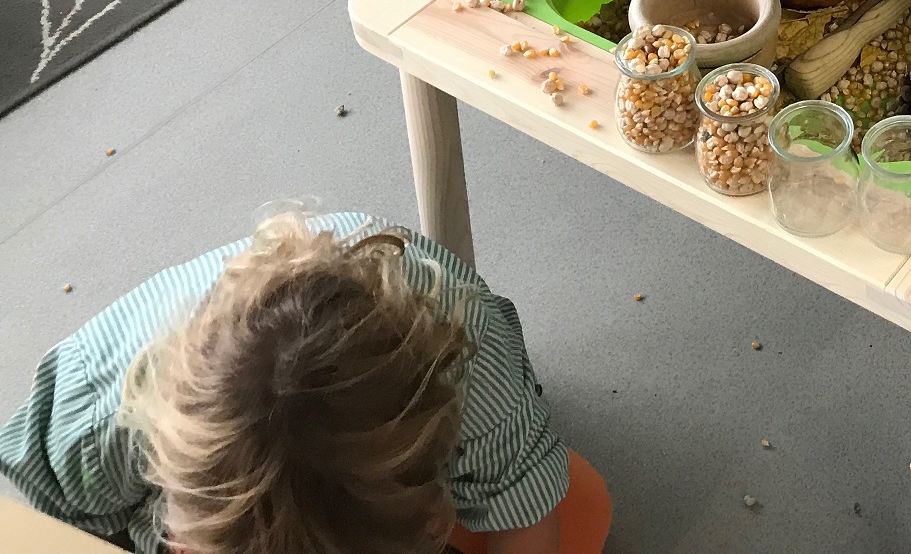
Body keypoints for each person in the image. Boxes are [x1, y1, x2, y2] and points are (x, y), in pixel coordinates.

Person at [0, 211, 610, 554]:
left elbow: (527, 520)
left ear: (431, 512)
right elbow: (34, 527)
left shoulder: (476, 374)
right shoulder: (94, 422)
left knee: (575, 510)